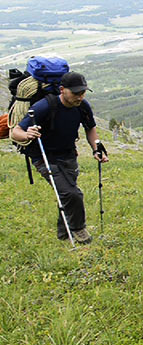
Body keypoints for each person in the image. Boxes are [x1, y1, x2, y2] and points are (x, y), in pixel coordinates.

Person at [11, 72, 108, 244]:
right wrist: (27, 134)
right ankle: (79, 231)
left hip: (68, 154)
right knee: (72, 194)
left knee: (66, 193)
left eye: (83, 92)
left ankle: (63, 234)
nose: (80, 96)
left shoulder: (82, 106)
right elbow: (15, 132)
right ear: (62, 90)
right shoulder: (44, 107)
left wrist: (96, 149)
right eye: (76, 93)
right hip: (43, 156)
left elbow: (90, 128)